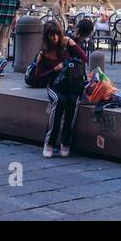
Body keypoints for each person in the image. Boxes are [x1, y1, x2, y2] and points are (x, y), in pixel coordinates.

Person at [29, 20, 87, 158]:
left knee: (73, 101)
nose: (55, 38)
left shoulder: (66, 44)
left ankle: (65, 142)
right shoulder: (43, 54)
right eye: (51, 35)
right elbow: (38, 78)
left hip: (72, 84)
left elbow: (84, 58)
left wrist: (74, 45)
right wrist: (54, 70)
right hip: (55, 85)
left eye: (56, 34)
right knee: (59, 101)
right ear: (47, 36)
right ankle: (49, 142)